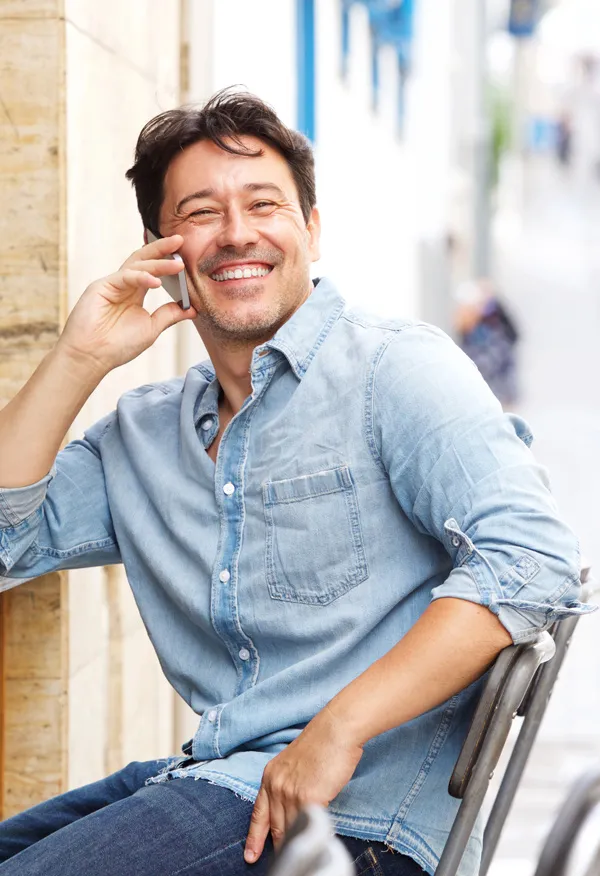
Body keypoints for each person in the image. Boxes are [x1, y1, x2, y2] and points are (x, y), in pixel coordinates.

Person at [0, 90, 591, 876]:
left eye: (264, 204)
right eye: (202, 212)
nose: (238, 232)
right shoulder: (142, 437)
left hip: (362, 824)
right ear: (162, 249)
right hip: (217, 778)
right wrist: (78, 356)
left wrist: (338, 727)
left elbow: (534, 561)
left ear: (310, 228)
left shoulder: (394, 370)